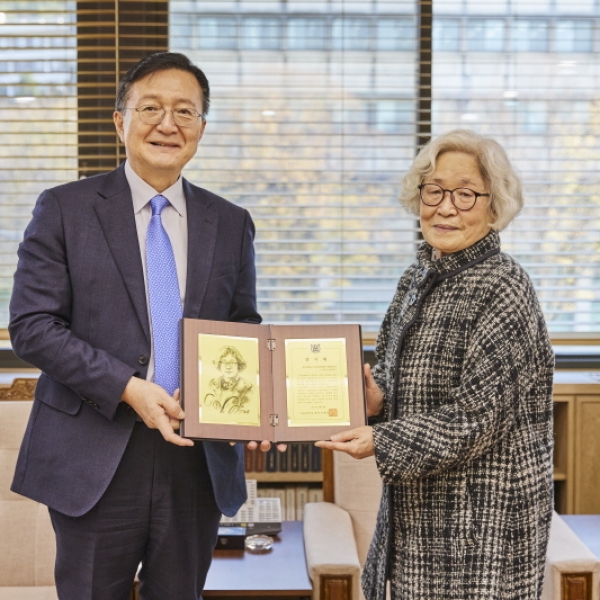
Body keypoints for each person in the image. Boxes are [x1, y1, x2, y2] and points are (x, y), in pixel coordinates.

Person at [9, 52, 276, 600]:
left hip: (195, 455)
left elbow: (241, 327)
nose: (168, 123)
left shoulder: (230, 222)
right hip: (95, 450)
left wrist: (254, 400)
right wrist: (128, 388)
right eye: (150, 107)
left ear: (202, 127)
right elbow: (32, 325)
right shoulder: (65, 209)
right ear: (119, 120)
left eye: (186, 111)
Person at [316, 129, 555, 600]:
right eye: (435, 190)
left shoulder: (505, 288)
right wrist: (374, 399)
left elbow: (475, 419)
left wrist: (378, 437)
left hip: (481, 525)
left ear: (494, 206)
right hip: (415, 516)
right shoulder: (417, 276)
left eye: (466, 194)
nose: (446, 207)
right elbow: (389, 369)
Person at [205, 346, 254, 414]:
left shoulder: (248, 388)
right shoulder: (212, 384)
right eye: (224, 362)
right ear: (219, 364)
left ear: (239, 365)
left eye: (232, 362)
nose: (228, 366)